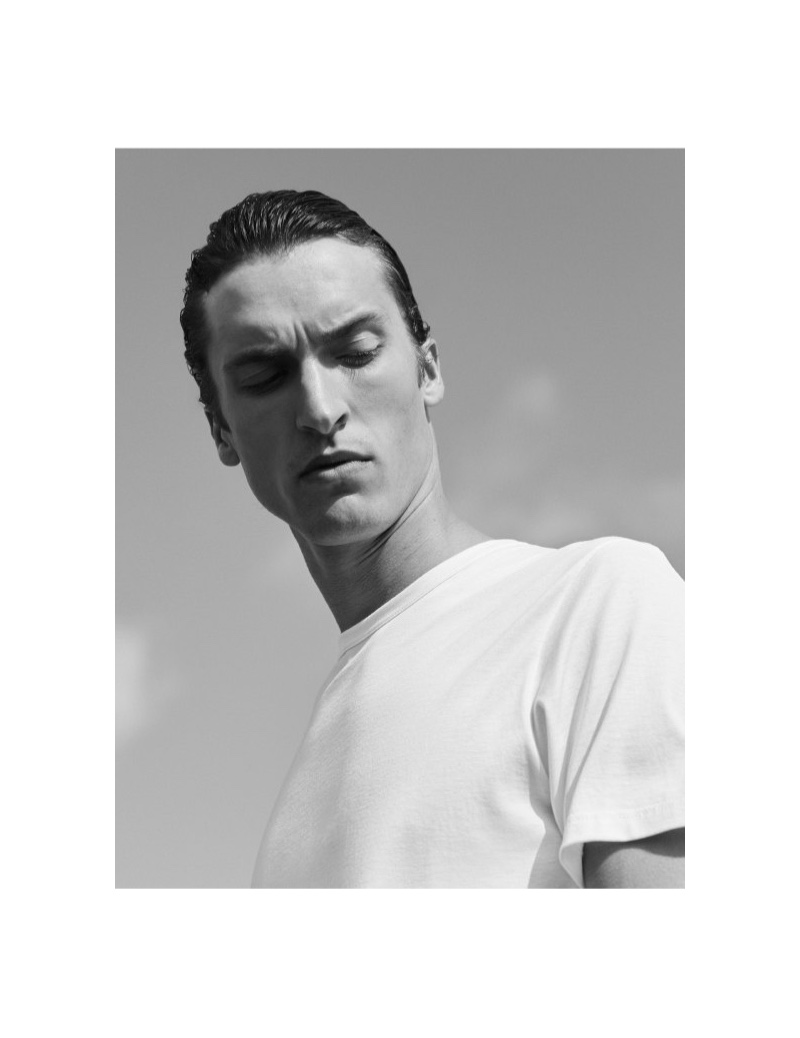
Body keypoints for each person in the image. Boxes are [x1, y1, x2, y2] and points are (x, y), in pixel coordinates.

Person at [180, 189, 685, 888]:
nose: (320, 408)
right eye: (266, 376)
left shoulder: (598, 605)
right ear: (221, 430)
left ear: (429, 369)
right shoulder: (291, 817)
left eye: (356, 352)